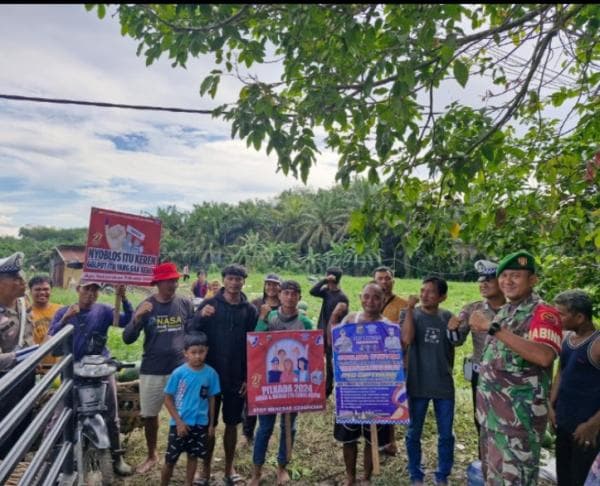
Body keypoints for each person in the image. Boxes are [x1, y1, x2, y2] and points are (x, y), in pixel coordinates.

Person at [473, 250, 562, 485]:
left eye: (516, 276)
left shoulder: (543, 313)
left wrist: (494, 329)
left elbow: (544, 356)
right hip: (492, 419)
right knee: (493, 479)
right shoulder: (506, 311)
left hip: (519, 423)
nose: (507, 281)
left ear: (532, 280)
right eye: (504, 276)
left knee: (516, 481)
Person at [49, 279, 134, 476]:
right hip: (73, 372)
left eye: (95, 290)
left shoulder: (103, 310)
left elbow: (125, 320)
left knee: (111, 415)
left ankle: (117, 457)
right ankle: (52, 461)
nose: (91, 293)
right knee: (59, 417)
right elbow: (52, 344)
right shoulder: (64, 312)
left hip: (100, 370)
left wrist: (123, 298)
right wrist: (65, 320)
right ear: (78, 289)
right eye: (87, 289)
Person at [122, 261, 193, 474]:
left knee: (185, 414)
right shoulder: (147, 305)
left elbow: (192, 332)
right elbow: (127, 338)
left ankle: (187, 456)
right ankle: (152, 455)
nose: (173, 284)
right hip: (152, 369)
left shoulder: (185, 304)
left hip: (180, 369)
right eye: (168, 281)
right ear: (158, 283)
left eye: (175, 280)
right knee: (150, 415)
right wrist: (137, 318)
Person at [190, 264, 258, 485]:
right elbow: (190, 330)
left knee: (232, 424)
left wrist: (248, 377)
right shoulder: (210, 303)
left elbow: (253, 345)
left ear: (243, 282)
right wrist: (201, 315)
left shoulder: (250, 311)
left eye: (239, 279)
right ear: (224, 280)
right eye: (230, 278)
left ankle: (229, 467)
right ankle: (205, 469)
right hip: (210, 376)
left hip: (236, 377)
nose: (234, 282)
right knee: (208, 423)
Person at [250, 279, 313, 486]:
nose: (290, 297)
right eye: (286, 293)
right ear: (279, 295)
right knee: (265, 427)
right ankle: (256, 471)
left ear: (299, 298)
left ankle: (281, 467)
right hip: (270, 383)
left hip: (293, 384)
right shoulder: (271, 318)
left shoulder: (305, 322)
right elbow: (257, 344)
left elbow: (312, 350)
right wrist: (261, 318)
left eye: (294, 294)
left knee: (289, 427)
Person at [331, 282, 393, 486]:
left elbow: (395, 357)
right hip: (351, 390)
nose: (371, 301)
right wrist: (334, 318)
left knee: (371, 437)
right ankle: (350, 477)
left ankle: (365, 477)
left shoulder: (388, 327)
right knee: (348, 438)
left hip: (376, 391)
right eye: (366, 296)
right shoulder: (350, 320)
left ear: (383, 300)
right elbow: (334, 343)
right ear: (360, 298)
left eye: (376, 297)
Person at [401, 276, 461, 486]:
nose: (424, 295)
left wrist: (455, 327)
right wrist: (409, 309)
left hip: (443, 384)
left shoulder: (448, 317)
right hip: (416, 383)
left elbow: (458, 341)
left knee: (446, 434)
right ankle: (415, 473)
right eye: (422, 290)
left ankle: (442, 473)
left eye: (431, 292)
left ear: (442, 297)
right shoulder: (410, 314)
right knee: (413, 432)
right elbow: (406, 339)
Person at [549, 290, 600, 485]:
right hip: (564, 421)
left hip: (587, 427)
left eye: (561, 314)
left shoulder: (596, 344)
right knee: (564, 474)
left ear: (579, 317)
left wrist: (593, 424)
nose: (556, 318)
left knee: (581, 477)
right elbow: (561, 373)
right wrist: (551, 406)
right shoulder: (566, 338)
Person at [456, 260, 505, 450]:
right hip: (481, 374)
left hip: (507, 374)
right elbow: (457, 340)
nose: (483, 284)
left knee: (507, 420)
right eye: (481, 280)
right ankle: (484, 460)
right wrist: (452, 328)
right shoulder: (472, 309)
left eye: (489, 280)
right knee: (481, 419)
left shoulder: (515, 310)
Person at [160, 332, 220, 486]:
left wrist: (211, 424)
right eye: (193, 353)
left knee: (193, 457)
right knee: (170, 460)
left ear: (207, 350)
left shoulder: (211, 374)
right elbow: (167, 398)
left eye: (201, 352)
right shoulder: (179, 373)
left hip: (200, 424)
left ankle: (188, 483)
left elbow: (212, 399)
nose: (197, 356)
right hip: (179, 425)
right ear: (185, 353)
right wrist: (178, 422)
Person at [0, 252, 34, 459]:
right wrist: (20, 356)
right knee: (5, 427)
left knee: (23, 421)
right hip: (5, 381)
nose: (23, 282)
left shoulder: (22, 305)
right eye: (16, 279)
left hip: (25, 376)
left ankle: (19, 459)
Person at [243, 273, 282, 446]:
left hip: (278, 356)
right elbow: (251, 330)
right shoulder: (256, 304)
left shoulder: (284, 305)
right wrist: (262, 316)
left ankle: (267, 430)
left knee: (272, 392)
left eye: (275, 285)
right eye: (269, 284)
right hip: (257, 355)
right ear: (265, 286)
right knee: (253, 391)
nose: (272, 288)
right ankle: (247, 432)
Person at [372, 266, 408, 455]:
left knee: (392, 403)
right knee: (377, 400)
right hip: (373, 361)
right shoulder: (370, 302)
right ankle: (376, 440)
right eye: (380, 279)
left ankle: (391, 442)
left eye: (388, 278)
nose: (384, 282)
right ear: (374, 281)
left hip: (395, 361)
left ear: (393, 281)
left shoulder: (403, 305)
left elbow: (407, 334)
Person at [310, 267, 349, 398]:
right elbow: (312, 291)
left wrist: (332, 336)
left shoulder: (342, 297)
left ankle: (328, 389)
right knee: (317, 361)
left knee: (331, 364)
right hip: (321, 331)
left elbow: (342, 320)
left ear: (332, 278)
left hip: (332, 335)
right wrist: (323, 281)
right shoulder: (326, 292)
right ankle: (318, 385)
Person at [28, 275, 62, 370]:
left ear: (51, 290)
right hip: (37, 368)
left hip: (60, 367)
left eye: (46, 289)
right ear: (30, 291)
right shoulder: (25, 314)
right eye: (37, 289)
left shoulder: (61, 310)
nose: (42, 292)